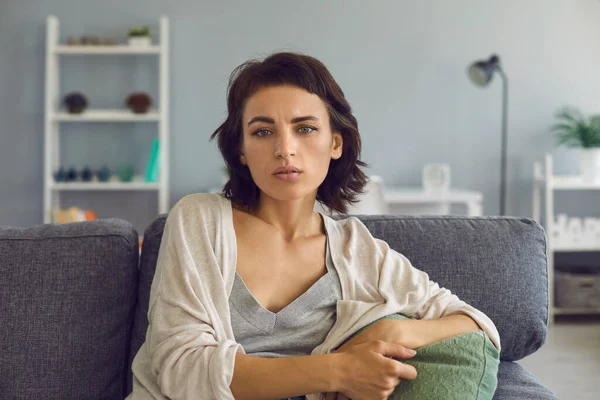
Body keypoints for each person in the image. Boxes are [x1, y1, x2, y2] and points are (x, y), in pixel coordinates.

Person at [128, 52, 500, 400]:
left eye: (304, 129)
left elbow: (477, 325)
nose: (284, 149)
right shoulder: (200, 219)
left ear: (335, 142)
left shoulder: (358, 250)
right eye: (262, 131)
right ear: (240, 149)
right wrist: (338, 371)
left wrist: (395, 330)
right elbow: (181, 369)